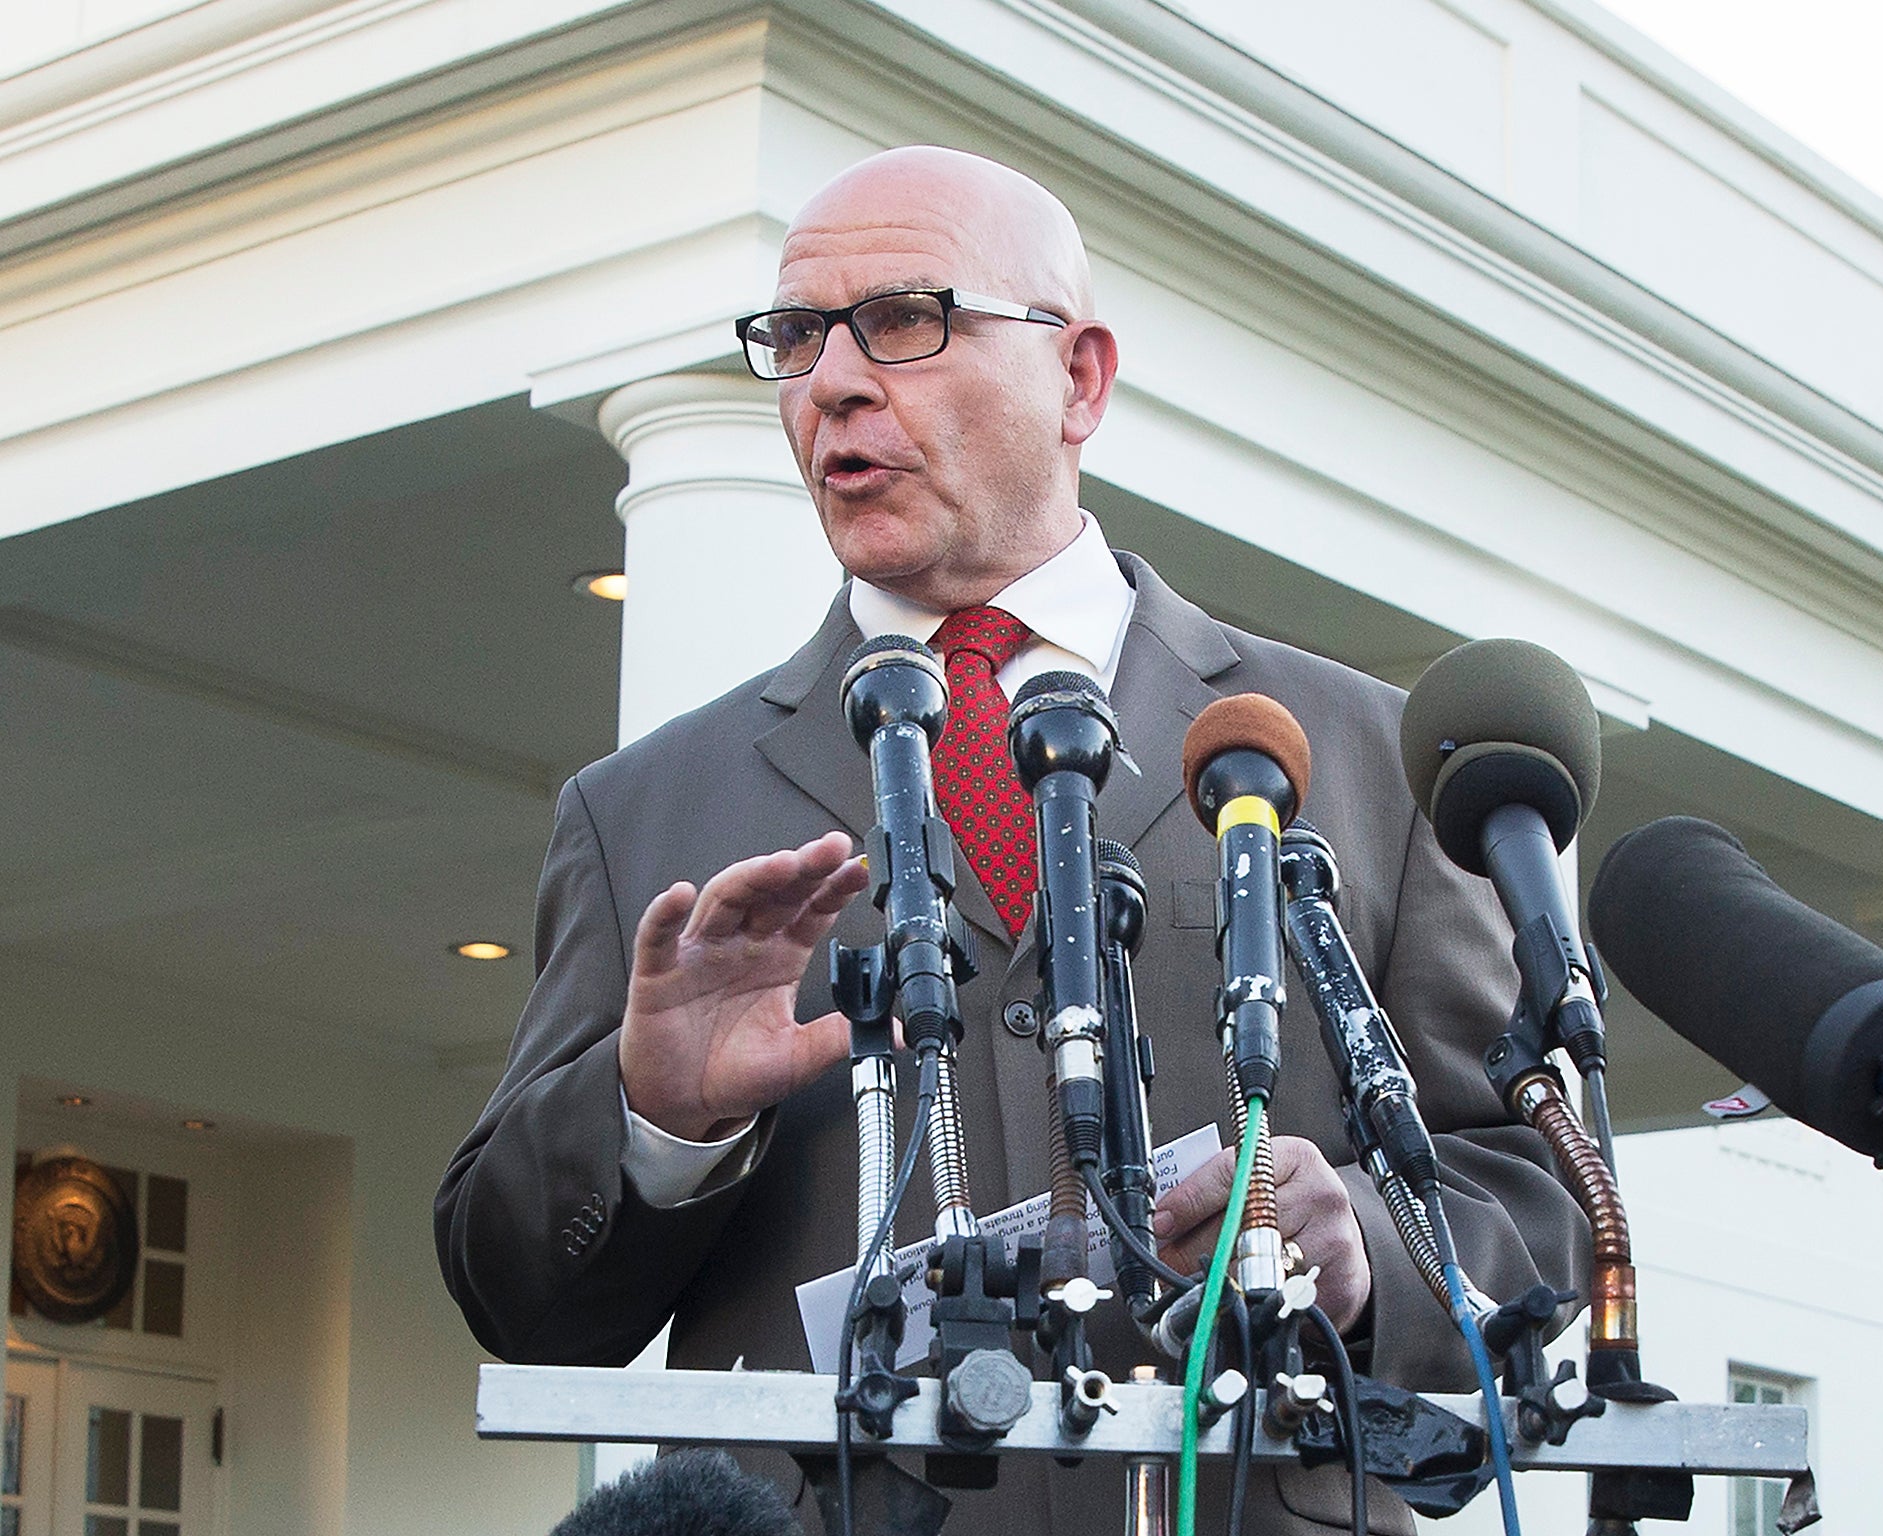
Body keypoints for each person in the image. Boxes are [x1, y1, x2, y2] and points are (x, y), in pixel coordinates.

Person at [436, 146, 1588, 1535]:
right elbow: (519, 1300)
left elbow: (1548, 1203)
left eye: (909, 319)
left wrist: (1362, 1251)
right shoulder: (647, 817)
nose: (836, 383)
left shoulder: (1359, 760)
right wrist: (654, 1117)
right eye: (797, 337)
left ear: (1080, 377)